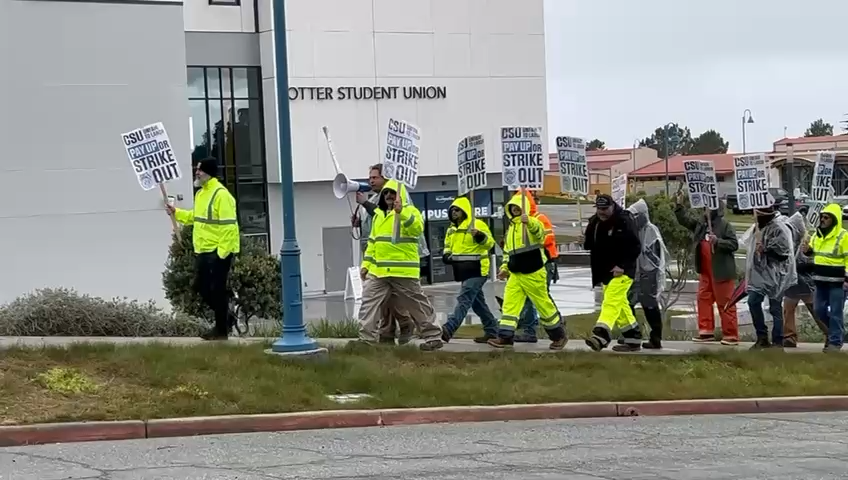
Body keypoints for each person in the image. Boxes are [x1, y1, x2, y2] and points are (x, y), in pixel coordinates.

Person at [357, 179, 443, 351]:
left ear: (401, 196)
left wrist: (401, 212)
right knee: (368, 303)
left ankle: (433, 336)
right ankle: (366, 340)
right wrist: (366, 265)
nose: (389, 195)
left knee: (417, 304)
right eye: (386, 193)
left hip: (403, 271)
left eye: (393, 193)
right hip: (379, 271)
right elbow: (373, 243)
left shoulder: (411, 212)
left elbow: (416, 229)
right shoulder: (380, 216)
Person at [167, 158, 240, 341]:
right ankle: (226, 319)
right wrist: (177, 213)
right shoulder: (201, 194)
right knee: (201, 288)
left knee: (217, 290)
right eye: (197, 170)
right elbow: (196, 217)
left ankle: (221, 331)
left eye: (200, 170)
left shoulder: (222, 195)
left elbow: (229, 227)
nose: (197, 173)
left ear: (209, 173)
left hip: (218, 252)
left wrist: (221, 254)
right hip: (203, 251)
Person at [488, 194, 567, 350]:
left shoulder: (535, 221)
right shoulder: (512, 228)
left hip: (534, 271)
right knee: (510, 306)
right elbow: (508, 252)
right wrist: (504, 269)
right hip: (516, 274)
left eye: (518, 208)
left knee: (543, 305)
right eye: (513, 208)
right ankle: (505, 336)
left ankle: (559, 335)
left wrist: (529, 222)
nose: (516, 211)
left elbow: (541, 235)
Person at [673, 194, 739, 345]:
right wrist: (679, 207)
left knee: (726, 303)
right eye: (704, 208)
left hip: (721, 271)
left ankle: (731, 334)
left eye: (708, 208)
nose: (705, 211)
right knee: (703, 300)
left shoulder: (725, 226)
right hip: (705, 271)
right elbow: (685, 221)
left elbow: (734, 244)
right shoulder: (701, 225)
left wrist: (718, 241)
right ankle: (706, 331)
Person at [583, 194, 644, 352]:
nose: (601, 212)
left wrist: (622, 266)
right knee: (620, 305)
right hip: (605, 271)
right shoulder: (595, 222)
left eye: (605, 209)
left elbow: (635, 247)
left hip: (622, 272)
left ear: (612, 206)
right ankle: (633, 338)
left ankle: (600, 336)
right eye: (599, 209)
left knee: (610, 302)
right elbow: (590, 244)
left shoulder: (624, 220)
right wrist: (585, 239)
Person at [439, 196, 499, 343]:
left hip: (478, 269)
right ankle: (493, 331)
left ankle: (449, 327)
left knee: (464, 299)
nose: (454, 212)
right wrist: (446, 254)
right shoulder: (451, 229)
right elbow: (447, 245)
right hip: (462, 271)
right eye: (452, 210)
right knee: (478, 304)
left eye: (457, 210)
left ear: (465, 211)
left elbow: (490, 244)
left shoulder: (477, 224)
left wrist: (479, 236)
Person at [744, 206, 796, 350]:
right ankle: (762, 337)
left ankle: (778, 341)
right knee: (753, 302)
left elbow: (783, 254)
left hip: (776, 275)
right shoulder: (757, 228)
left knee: (775, 308)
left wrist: (766, 250)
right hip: (759, 275)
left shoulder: (779, 229)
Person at [511, 191, 559, 343]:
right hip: (530, 264)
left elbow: (547, 238)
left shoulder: (539, 218)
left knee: (539, 298)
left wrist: (530, 229)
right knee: (538, 298)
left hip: (543, 263)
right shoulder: (516, 223)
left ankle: (534, 330)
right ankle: (552, 326)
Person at [782, 210, 828, 348]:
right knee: (788, 310)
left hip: (807, 283)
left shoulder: (808, 241)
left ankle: (831, 334)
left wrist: (806, 264)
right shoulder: (789, 243)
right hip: (792, 283)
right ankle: (789, 337)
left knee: (816, 310)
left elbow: (815, 259)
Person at [805, 203, 848, 352]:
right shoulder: (817, 235)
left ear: (835, 219)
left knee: (836, 312)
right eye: (822, 217)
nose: (822, 220)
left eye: (826, 217)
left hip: (838, 283)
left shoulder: (844, 236)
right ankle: (835, 334)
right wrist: (807, 251)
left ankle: (835, 342)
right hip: (820, 281)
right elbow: (813, 253)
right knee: (818, 310)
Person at [626, 199, 668, 349]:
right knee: (627, 303)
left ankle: (656, 337)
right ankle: (631, 334)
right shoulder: (632, 230)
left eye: (635, 216)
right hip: (634, 273)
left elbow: (654, 257)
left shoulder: (651, 231)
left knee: (649, 306)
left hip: (648, 274)